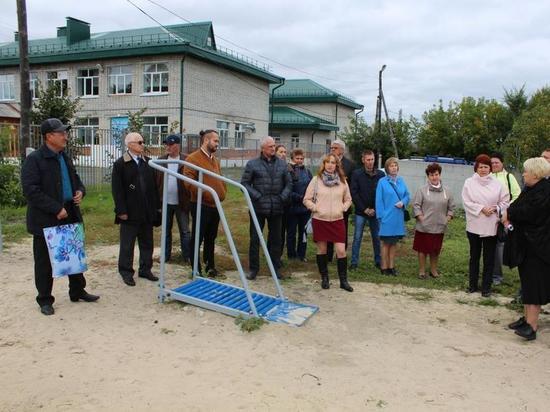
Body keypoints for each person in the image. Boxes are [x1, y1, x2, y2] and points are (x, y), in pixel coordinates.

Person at [21, 118, 99, 315]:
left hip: (70, 212)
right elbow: (31, 191)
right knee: (44, 262)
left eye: (66, 132)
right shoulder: (35, 159)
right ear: (49, 136)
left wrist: (80, 191)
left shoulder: (65, 156)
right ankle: (45, 300)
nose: (66, 136)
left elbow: (76, 180)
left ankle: (77, 290)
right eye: (61, 133)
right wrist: (55, 208)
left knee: (74, 254)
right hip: (46, 218)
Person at [502, 157, 550, 341]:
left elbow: (528, 213)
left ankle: (532, 326)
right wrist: (510, 212)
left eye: (526, 171)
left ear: (536, 174)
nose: (523, 174)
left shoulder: (545, 192)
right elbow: (516, 206)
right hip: (526, 245)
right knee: (527, 284)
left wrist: (509, 214)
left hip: (538, 248)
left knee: (534, 286)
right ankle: (526, 319)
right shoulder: (532, 189)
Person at [112, 132, 161, 286]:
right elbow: (117, 190)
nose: (142, 145)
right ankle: (126, 271)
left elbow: (154, 188)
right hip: (130, 212)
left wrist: (156, 209)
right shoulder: (121, 164)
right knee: (128, 244)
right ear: (130, 145)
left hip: (147, 211)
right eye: (139, 142)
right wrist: (121, 211)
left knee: (147, 242)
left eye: (142, 142)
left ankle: (145, 269)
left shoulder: (148, 162)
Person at [241, 136, 292, 280]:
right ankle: (253, 269)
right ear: (263, 148)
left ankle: (274, 268)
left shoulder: (282, 165)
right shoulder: (252, 164)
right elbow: (244, 184)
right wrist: (257, 196)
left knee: (276, 240)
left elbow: (289, 184)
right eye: (270, 146)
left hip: (277, 207)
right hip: (258, 208)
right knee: (255, 239)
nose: (273, 148)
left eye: (274, 146)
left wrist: (282, 197)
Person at [303, 154, 353, 291]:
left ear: (337, 165)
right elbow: (306, 199)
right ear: (324, 164)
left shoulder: (343, 181)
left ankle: (343, 281)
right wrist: (316, 208)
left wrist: (343, 208)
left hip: (337, 220)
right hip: (320, 220)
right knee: (322, 250)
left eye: (333, 162)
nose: (330, 165)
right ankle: (324, 278)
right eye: (328, 162)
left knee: (341, 251)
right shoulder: (316, 180)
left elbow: (348, 199)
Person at [461, 154, 509, 297]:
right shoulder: (469, 182)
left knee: (489, 258)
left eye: (486, 166)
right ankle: (472, 285)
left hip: (491, 225)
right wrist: (481, 208)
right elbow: (466, 201)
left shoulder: (498, 184)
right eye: (480, 166)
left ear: (490, 168)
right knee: (474, 256)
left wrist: (495, 209)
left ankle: (486, 288)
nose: (483, 169)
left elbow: (505, 201)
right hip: (474, 225)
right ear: (476, 167)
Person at [183, 130, 227, 278]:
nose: (217, 144)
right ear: (206, 140)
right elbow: (188, 182)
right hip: (201, 204)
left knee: (211, 237)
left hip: (215, 206)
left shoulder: (214, 159)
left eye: (218, 141)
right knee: (198, 237)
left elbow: (219, 178)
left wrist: (222, 191)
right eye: (215, 141)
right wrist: (208, 194)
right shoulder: (193, 158)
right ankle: (196, 268)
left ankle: (210, 266)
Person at [412, 163, 456, 279]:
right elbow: (416, 206)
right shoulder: (421, 190)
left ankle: (433, 270)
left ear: (440, 175)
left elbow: (451, 208)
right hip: (424, 227)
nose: (434, 177)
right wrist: (422, 219)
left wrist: (447, 218)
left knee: (435, 250)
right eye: (431, 175)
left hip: (439, 227)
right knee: (422, 250)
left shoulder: (448, 191)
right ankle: (421, 271)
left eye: (436, 174)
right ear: (428, 176)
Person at [155, 134, 191, 263]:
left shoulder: (186, 160)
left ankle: (187, 256)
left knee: (185, 231)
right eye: (167, 144)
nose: (168, 147)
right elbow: (156, 182)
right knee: (165, 231)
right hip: (165, 202)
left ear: (178, 145)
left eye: (171, 144)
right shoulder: (161, 160)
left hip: (182, 203)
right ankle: (165, 256)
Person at [350, 150, 385, 271]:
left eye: (372, 159)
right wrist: (364, 209)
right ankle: (354, 262)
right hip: (361, 212)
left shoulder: (381, 175)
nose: (370, 162)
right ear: (363, 160)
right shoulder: (356, 174)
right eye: (368, 159)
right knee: (357, 237)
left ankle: (378, 261)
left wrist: (375, 209)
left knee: (377, 237)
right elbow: (354, 193)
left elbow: (382, 194)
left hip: (376, 212)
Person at [490, 152, 521, 285]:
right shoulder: (488, 176)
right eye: (492, 163)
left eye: (496, 162)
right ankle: (489, 272)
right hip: (487, 217)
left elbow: (516, 196)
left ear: (502, 163)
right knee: (488, 246)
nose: (494, 165)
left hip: (503, 217)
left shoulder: (509, 177)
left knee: (499, 246)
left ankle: (497, 276)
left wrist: (505, 211)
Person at [375, 157, 410, 276]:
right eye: (391, 165)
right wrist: (381, 216)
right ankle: (384, 267)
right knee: (385, 243)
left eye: (395, 165)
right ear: (387, 168)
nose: (394, 167)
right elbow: (378, 200)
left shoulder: (401, 181)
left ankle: (391, 266)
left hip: (397, 218)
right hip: (386, 218)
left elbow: (407, 195)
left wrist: (403, 202)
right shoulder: (382, 182)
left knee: (394, 243)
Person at [327, 139, 355, 261]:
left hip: (343, 203)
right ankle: (327, 255)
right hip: (328, 203)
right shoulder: (327, 162)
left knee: (342, 230)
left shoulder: (350, 164)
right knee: (328, 228)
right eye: (331, 148)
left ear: (342, 150)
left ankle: (341, 255)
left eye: (335, 148)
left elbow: (353, 185)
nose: (332, 150)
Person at [286, 148, 312, 262]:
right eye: (297, 158)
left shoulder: (307, 172)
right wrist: (299, 198)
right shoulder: (288, 171)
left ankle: (302, 254)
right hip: (292, 207)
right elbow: (287, 189)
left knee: (303, 232)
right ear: (292, 159)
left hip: (305, 208)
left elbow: (312, 187)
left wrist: (308, 199)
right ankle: (291, 254)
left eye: (301, 158)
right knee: (291, 232)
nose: (300, 160)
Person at [275, 144, 290, 262]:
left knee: (282, 231)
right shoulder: (272, 165)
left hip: (285, 203)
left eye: (285, 152)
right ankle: (271, 253)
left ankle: (278, 256)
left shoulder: (288, 167)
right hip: (272, 202)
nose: (283, 154)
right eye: (281, 152)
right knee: (275, 232)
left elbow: (290, 183)